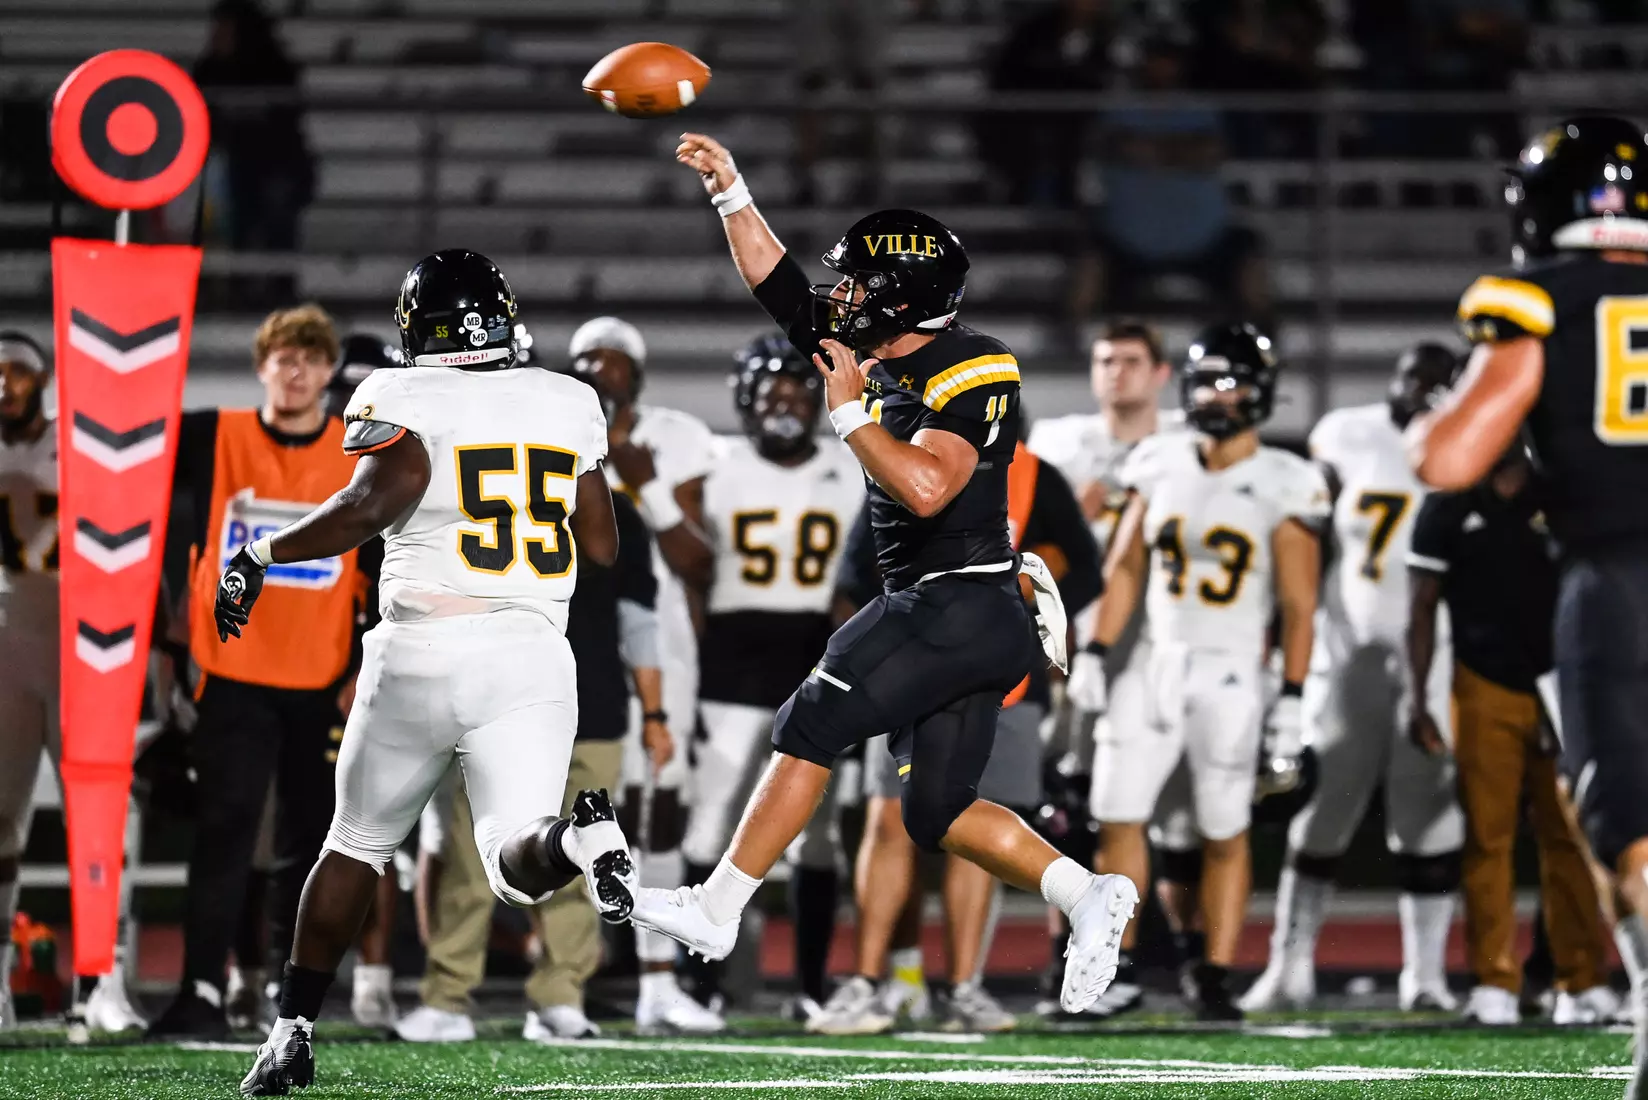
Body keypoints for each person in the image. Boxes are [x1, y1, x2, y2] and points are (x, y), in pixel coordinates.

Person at [628, 133, 1139, 1020]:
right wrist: (730, 191)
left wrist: (851, 414)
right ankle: (1084, 893)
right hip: (962, 616)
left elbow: (931, 485)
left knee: (808, 720)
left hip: (954, 604)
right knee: (937, 811)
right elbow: (777, 280)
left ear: (902, 298)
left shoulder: (971, 363)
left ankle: (716, 908)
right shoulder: (879, 345)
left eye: (861, 283)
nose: (844, 295)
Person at [215, 250, 637, 1095]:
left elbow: (373, 501)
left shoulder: (399, 394)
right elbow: (602, 546)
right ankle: (577, 840)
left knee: (355, 844)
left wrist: (262, 551)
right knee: (518, 861)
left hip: (420, 648)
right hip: (529, 651)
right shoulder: (570, 401)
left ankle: (293, 1031)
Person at [1404, 115, 1648, 1098]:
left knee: (1629, 838)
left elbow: (1448, 458)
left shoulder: (1540, 299)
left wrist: (1439, 410)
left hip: (1616, 584)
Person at [1075, 323, 1328, 1021]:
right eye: (1208, 380)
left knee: (1223, 828)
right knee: (1116, 815)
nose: (1218, 395)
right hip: (1155, 659)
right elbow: (1124, 564)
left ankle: (1213, 973)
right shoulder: (1157, 459)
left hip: (1234, 668)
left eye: (1232, 381)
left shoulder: (1287, 478)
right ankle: (1113, 969)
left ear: (1262, 391)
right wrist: (1097, 650)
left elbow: (1301, 606)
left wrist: (1293, 699)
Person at [151, 305, 377, 1039]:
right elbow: (137, 468)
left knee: (312, 845)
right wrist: (165, 637)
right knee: (224, 836)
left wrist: (363, 658)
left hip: (322, 677)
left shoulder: (353, 449)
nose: (296, 370)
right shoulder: (213, 434)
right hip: (232, 670)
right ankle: (201, 991)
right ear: (262, 367)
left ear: (326, 372)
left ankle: (293, 1000)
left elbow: (378, 559)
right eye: (283, 357)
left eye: (310, 358)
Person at [829, 434, 1102, 1035]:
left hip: (994, 679)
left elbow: (1085, 571)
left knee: (968, 829)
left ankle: (962, 986)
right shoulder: (905, 457)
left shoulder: (1031, 472)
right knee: (888, 823)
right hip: (914, 665)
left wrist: (1024, 612)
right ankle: (868, 982)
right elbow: (855, 569)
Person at [395, 485, 670, 1045]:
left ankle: (560, 996)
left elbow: (639, 619)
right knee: (472, 859)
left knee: (584, 859)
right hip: (500, 704)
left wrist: (656, 712)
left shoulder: (616, 512)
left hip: (591, 708)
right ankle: (447, 997)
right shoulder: (488, 495)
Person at [1241, 342, 1467, 1015]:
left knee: (1427, 814)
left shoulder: (1468, 445)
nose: (1419, 392)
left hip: (1437, 654)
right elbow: (1308, 532)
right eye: (1411, 378)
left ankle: (1424, 975)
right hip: (1348, 650)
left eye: (1436, 383)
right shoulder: (1348, 434)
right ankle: (1288, 966)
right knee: (1321, 810)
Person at [681, 333, 864, 1020]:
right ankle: (696, 982)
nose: (785, 405)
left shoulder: (851, 467)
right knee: (712, 819)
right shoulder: (716, 467)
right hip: (732, 654)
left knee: (815, 835)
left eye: (797, 391)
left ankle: (812, 986)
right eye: (771, 393)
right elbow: (691, 573)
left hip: (818, 653)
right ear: (746, 402)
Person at [1029, 320, 1204, 1016]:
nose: (1115, 373)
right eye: (1104, 360)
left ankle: (1195, 963)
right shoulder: (1060, 444)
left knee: (1184, 821)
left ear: (1160, 372)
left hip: (1165, 648)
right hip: (1073, 651)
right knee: (1068, 812)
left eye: (1131, 361)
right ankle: (1077, 959)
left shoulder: (1190, 444)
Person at [1408, 445, 1615, 1026]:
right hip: (1483, 682)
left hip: (1560, 680)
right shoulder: (1447, 506)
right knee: (1487, 838)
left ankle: (1580, 977)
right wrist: (1418, 696)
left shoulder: (1563, 494)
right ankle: (1493, 978)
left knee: (1571, 837)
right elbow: (1421, 606)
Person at [566, 316, 718, 1034]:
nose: (600, 372)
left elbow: (696, 560)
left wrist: (641, 480)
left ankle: (657, 979)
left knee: (656, 809)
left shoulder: (675, 436)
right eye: (587, 361)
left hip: (664, 649)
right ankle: (569, 980)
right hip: (578, 639)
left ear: (638, 372)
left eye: (615, 361)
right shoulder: (556, 424)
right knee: (582, 810)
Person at [0, 332, 143, 1033]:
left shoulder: (81, 443)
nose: (5, 382)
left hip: (81, 646)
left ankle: (104, 976)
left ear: (44, 378)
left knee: (98, 812)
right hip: (5, 646)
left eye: (18, 370)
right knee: (1, 822)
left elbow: (131, 529)